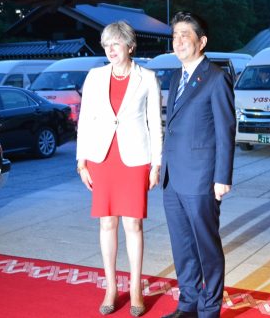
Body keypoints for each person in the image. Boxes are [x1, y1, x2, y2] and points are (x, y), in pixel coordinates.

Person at [76, 21, 162, 317]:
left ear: (130, 45)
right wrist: (81, 160)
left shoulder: (147, 78)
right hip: (102, 158)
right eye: (106, 45)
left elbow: (155, 125)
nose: (110, 49)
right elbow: (85, 120)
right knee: (106, 223)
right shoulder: (95, 76)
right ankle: (111, 287)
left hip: (136, 158)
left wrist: (156, 164)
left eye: (115, 44)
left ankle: (136, 288)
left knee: (133, 225)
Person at [160, 12, 236, 318]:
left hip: (202, 179)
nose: (178, 41)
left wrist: (222, 177)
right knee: (182, 247)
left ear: (201, 42)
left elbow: (226, 130)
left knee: (206, 248)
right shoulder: (176, 76)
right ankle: (188, 304)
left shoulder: (216, 78)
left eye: (185, 35)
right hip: (172, 178)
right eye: (175, 35)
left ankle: (209, 309)